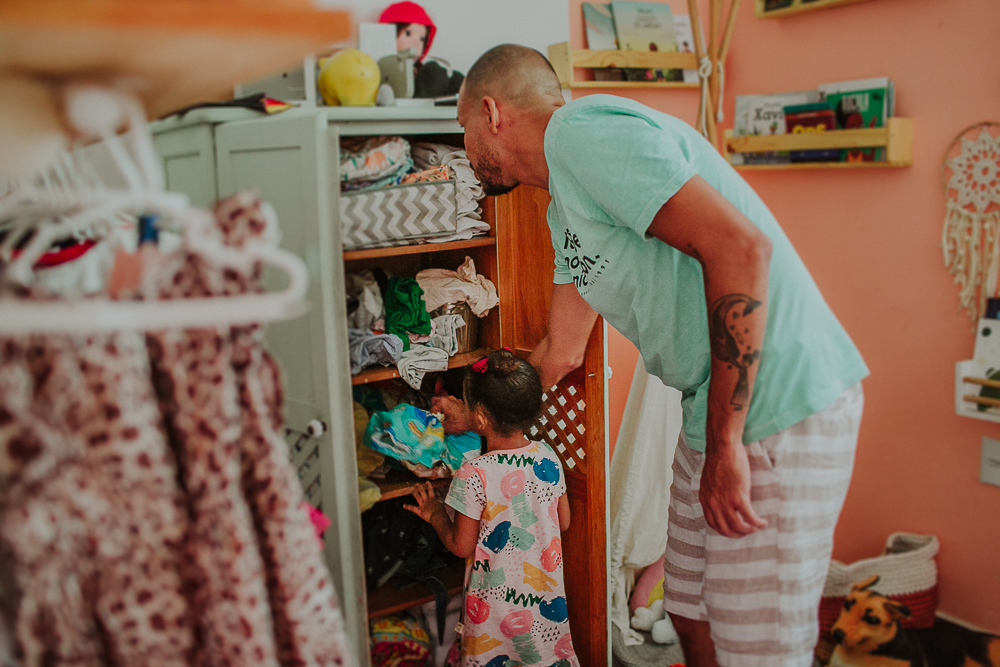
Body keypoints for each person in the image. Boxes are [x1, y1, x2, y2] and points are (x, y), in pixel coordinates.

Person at [454, 44, 869, 667]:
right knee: (690, 611)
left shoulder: (584, 136)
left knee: (758, 647)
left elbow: (740, 247)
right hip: (712, 409)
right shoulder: (562, 204)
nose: (466, 153)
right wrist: (473, 415)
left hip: (777, 398)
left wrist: (727, 443)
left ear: (491, 112)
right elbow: (558, 354)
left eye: (462, 133)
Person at [405, 349, 579, 667]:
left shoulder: (474, 473)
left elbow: (461, 546)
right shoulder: (548, 456)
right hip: (544, 602)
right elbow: (563, 522)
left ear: (481, 419)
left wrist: (435, 513)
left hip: (494, 614)